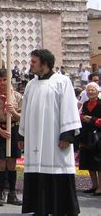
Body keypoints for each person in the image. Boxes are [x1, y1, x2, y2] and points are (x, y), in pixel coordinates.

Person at [19, 49, 81, 215]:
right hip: (34, 141)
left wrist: (67, 135)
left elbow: (69, 107)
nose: (30, 65)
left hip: (55, 139)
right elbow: (25, 111)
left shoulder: (62, 81)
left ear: (44, 64)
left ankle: (61, 210)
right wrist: (21, 135)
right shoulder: (31, 84)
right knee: (37, 172)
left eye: (34, 62)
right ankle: (40, 209)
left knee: (57, 170)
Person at [0, 69, 22, 206]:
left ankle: (12, 193)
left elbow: (22, 117)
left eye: (4, 80)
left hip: (13, 128)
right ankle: (1, 192)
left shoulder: (18, 97)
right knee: (1, 162)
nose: (2, 83)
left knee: (12, 162)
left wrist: (13, 111)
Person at [79, 82, 101, 195]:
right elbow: (80, 115)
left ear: (97, 91)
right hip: (87, 135)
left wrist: (92, 120)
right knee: (89, 161)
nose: (90, 92)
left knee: (98, 162)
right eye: (89, 90)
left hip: (98, 135)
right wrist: (83, 118)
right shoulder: (86, 103)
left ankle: (100, 187)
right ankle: (94, 185)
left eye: (93, 90)